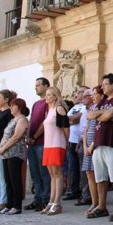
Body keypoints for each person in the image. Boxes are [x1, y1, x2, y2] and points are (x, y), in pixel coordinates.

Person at [87, 74, 113, 221]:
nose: (102, 87)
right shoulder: (104, 100)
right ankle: (101, 206)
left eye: (105, 84)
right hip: (99, 142)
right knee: (100, 177)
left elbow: (108, 115)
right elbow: (90, 115)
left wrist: (103, 115)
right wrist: (103, 114)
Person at [41, 86, 69, 215]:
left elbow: (65, 127)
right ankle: (51, 201)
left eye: (49, 95)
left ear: (55, 96)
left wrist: (66, 142)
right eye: (46, 95)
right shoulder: (49, 110)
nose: (46, 97)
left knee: (57, 174)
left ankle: (57, 203)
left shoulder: (59, 108)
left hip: (57, 143)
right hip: (48, 144)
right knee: (52, 174)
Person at [0, 97, 29, 215]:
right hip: (6, 154)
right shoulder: (12, 119)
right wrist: (1, 147)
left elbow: (16, 136)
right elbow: (5, 135)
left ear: (19, 107)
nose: (10, 107)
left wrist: (4, 147)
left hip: (15, 153)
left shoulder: (21, 119)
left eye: (13, 105)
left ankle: (17, 205)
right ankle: (9, 204)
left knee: (15, 179)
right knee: (8, 179)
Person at [25, 77, 51, 211]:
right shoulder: (36, 104)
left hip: (42, 142)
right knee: (34, 172)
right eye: (35, 85)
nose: (36, 87)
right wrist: (28, 136)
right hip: (32, 143)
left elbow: (45, 122)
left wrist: (35, 136)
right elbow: (31, 122)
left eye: (39, 85)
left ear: (47, 86)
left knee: (44, 173)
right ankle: (37, 198)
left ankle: (46, 199)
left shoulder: (49, 103)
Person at [82, 86, 103, 216]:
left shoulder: (102, 108)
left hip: (96, 144)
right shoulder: (92, 109)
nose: (92, 96)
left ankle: (100, 203)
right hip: (88, 144)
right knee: (89, 173)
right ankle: (94, 202)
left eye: (95, 94)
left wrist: (92, 145)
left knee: (97, 174)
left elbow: (100, 128)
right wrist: (85, 145)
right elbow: (87, 128)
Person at [64, 87, 87, 202]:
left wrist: (67, 119)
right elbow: (67, 120)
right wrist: (68, 120)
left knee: (81, 167)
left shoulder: (84, 107)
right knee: (72, 167)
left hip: (80, 140)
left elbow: (75, 119)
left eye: (82, 92)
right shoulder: (75, 107)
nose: (79, 94)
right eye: (79, 92)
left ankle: (84, 193)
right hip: (71, 140)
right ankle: (74, 190)